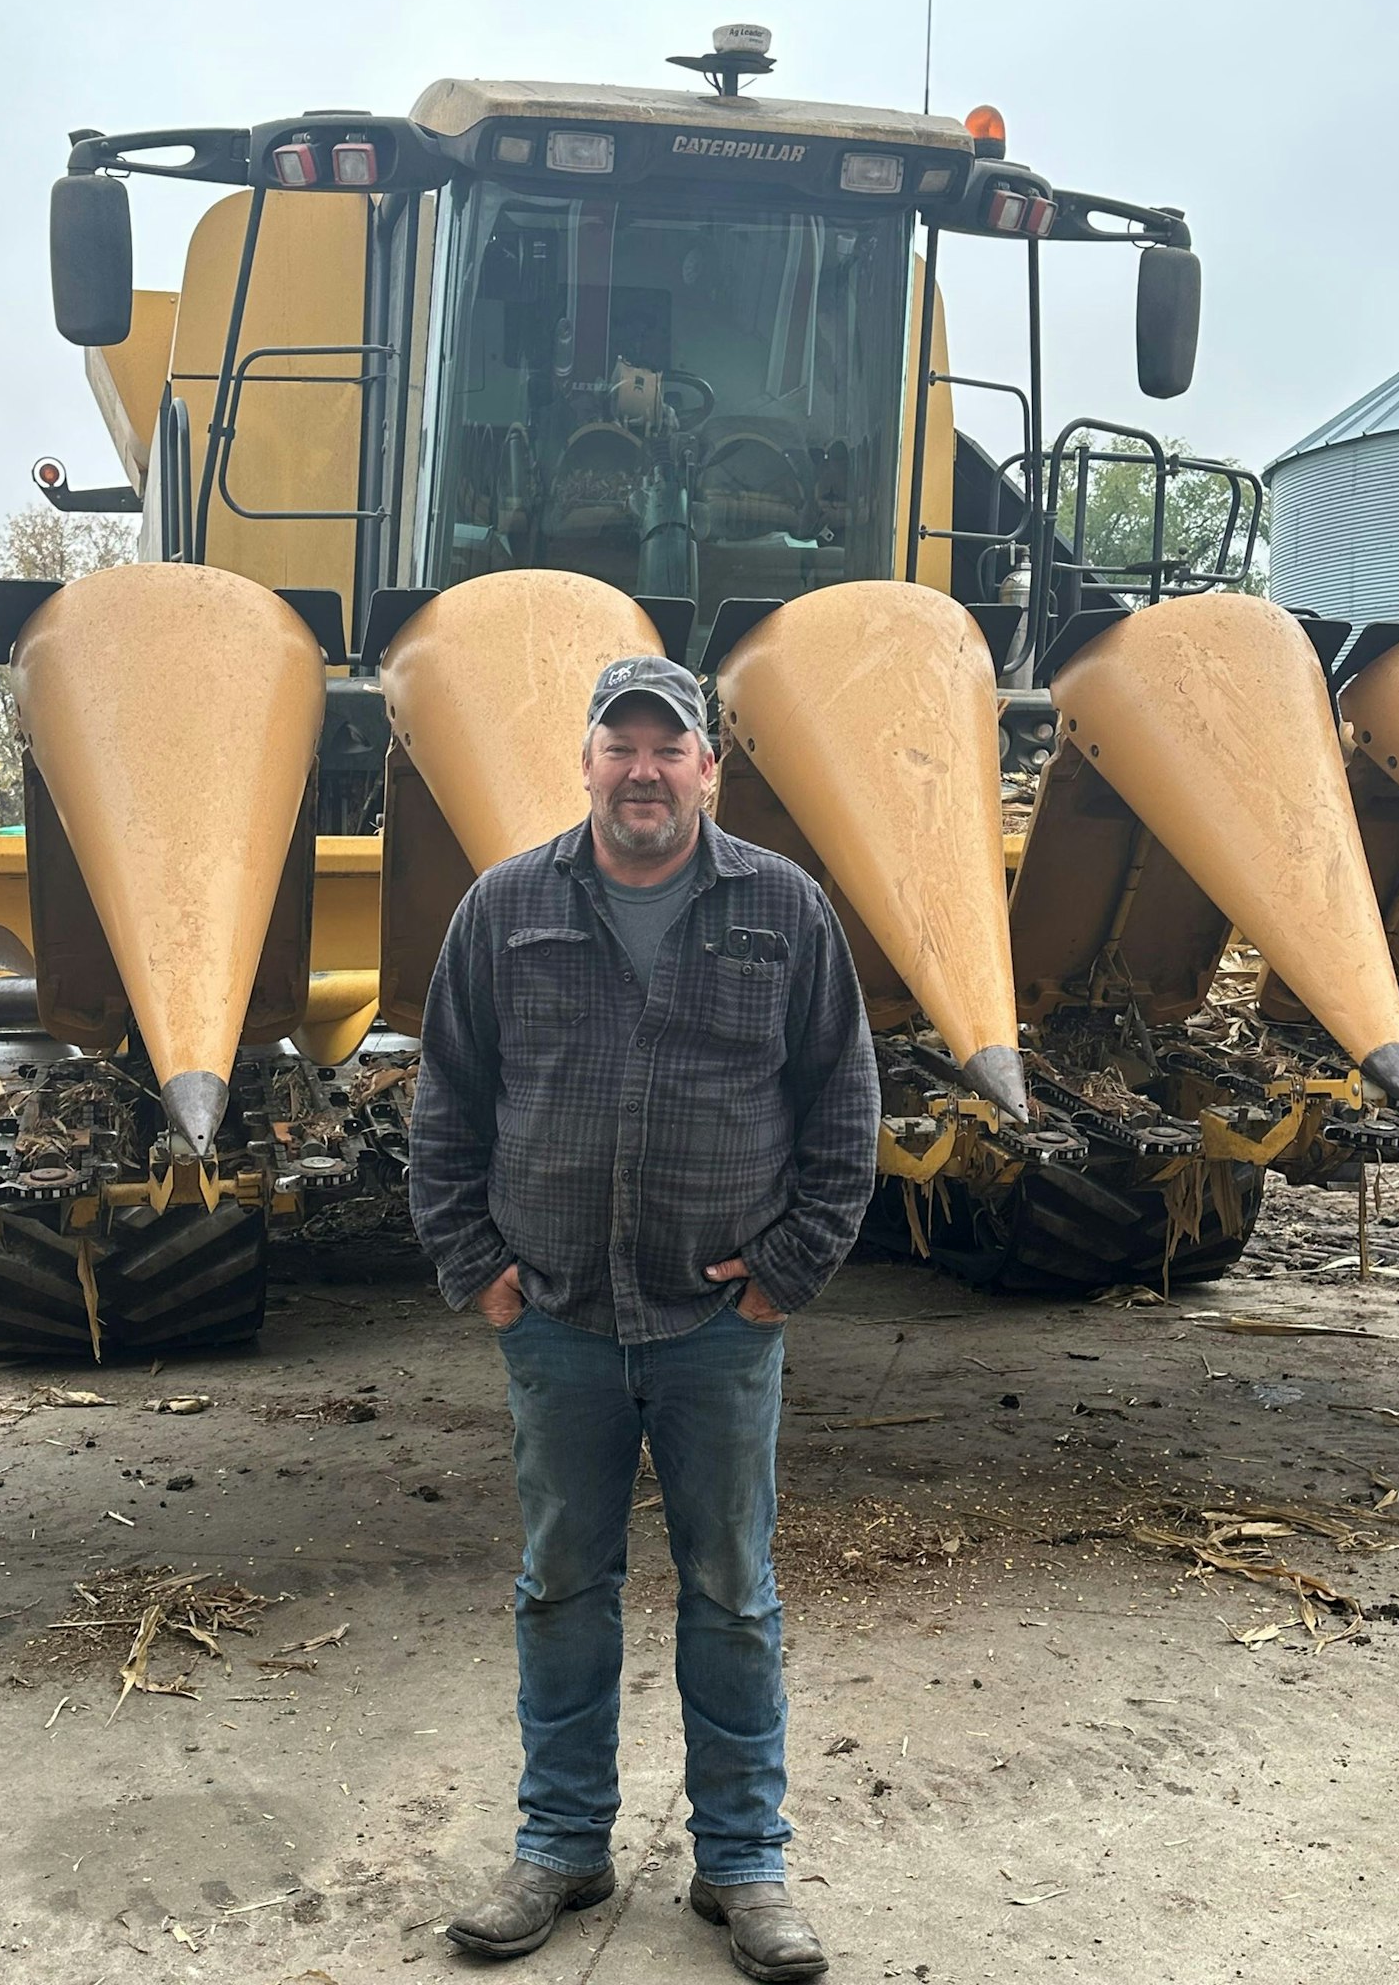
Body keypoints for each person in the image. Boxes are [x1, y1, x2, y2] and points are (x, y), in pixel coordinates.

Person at [408, 653, 880, 1980]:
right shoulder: (504, 911)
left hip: (716, 1330)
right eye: (619, 747)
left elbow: (845, 1110)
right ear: (585, 765)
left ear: (707, 769)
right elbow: (444, 1105)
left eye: (667, 748)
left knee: (732, 1594)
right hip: (554, 1322)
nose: (643, 771)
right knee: (563, 1585)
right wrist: (479, 1271)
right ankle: (562, 1846)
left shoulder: (783, 911)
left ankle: (744, 1865)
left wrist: (791, 1270)